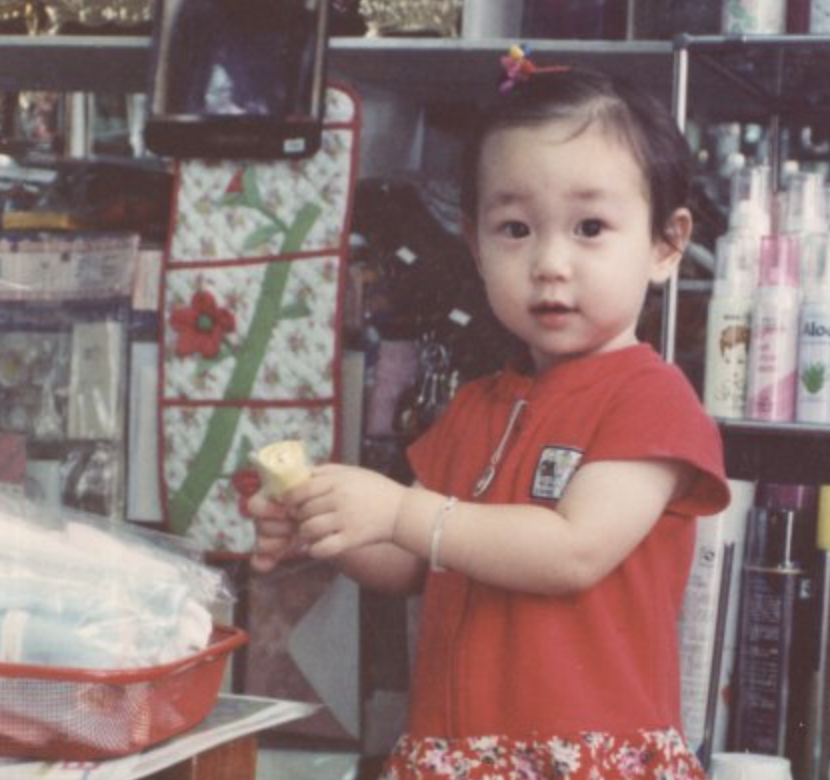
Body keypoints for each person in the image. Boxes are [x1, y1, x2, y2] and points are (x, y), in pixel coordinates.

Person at [248, 61, 730, 779]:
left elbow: (573, 551)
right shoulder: (475, 407)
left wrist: (400, 510)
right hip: (452, 753)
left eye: (590, 227)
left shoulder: (651, 401)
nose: (550, 263)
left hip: (584, 760)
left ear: (666, 243)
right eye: (515, 229)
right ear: (475, 246)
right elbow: (408, 561)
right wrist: (326, 523)